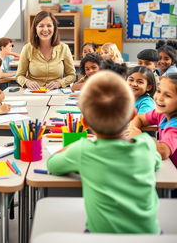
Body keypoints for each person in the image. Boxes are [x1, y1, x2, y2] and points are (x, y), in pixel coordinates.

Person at [47, 71, 161, 234]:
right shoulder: (146, 145)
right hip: (149, 238)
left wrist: (74, 145)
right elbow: (156, 162)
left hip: (101, 239)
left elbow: (52, 165)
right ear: (132, 115)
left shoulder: (83, 149)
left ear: (85, 122)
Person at [126, 74, 177, 168]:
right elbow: (139, 118)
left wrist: (140, 137)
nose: (159, 98)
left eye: (168, 95)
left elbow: (163, 151)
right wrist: (133, 129)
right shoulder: (162, 113)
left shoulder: (174, 126)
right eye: (158, 91)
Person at [16, 11, 75, 89]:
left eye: (49, 25)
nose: (45, 29)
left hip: (56, 92)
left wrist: (59, 83)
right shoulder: (27, 48)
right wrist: (27, 82)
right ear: (35, 28)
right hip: (34, 93)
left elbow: (72, 75)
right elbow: (19, 76)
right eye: (41, 26)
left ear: (54, 28)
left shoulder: (64, 48)